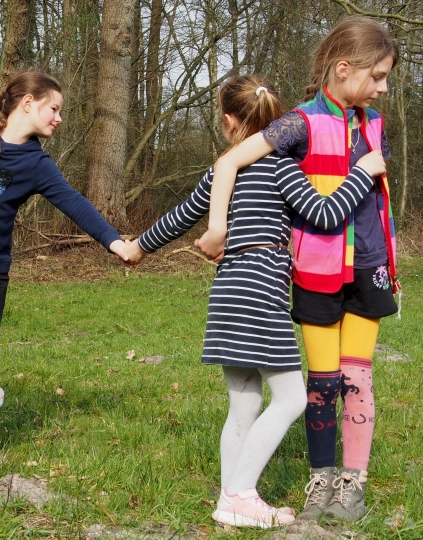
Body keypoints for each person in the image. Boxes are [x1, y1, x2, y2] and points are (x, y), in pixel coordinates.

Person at [123, 74, 386, 528]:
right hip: (261, 286)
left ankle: (231, 500)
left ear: (228, 123)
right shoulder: (282, 167)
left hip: (227, 289)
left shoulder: (219, 175)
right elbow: (324, 215)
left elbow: (180, 218)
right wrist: (361, 174)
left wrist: (136, 248)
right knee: (289, 399)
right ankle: (241, 493)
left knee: (244, 402)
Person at [202, 17, 400, 522]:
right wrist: (220, 228)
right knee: (323, 381)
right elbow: (229, 163)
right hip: (317, 270)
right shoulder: (297, 124)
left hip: (370, 267)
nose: (383, 86)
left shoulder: (373, 124)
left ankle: (352, 484)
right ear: (343, 68)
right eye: (377, 75)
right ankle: (321, 480)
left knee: (358, 378)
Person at [0, 71, 131, 466]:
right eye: (54, 108)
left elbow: (73, 202)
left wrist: (114, 241)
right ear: (28, 102)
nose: (59, 118)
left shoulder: (36, 162)